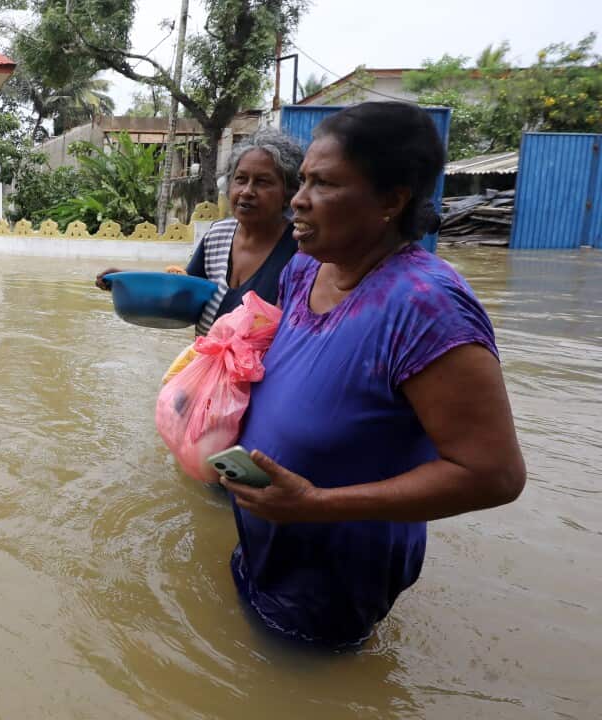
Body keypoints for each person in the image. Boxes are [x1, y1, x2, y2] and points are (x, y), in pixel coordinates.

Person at [219, 102, 525, 648]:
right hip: (268, 538)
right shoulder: (307, 266)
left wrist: (316, 505)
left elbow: (494, 475)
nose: (298, 199)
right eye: (304, 179)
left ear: (391, 200)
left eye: (325, 183)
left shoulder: (428, 306)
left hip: (336, 567)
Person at [96, 128, 305, 335]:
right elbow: (181, 297)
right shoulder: (217, 236)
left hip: (261, 368)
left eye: (263, 182)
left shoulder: (299, 249)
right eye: (240, 179)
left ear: (289, 194)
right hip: (205, 364)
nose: (247, 191)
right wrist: (127, 282)